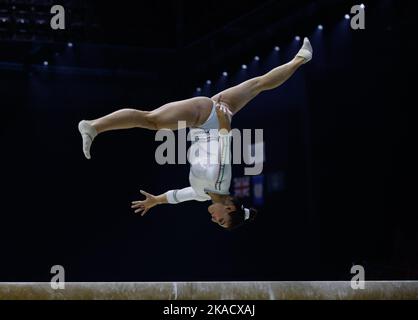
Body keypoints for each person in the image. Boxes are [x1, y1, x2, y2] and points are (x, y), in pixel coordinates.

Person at [78, 38, 313, 230]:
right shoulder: (219, 182)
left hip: (206, 120)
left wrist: (156, 201)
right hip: (206, 119)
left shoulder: (203, 194)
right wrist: (222, 122)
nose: (213, 219)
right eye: (220, 220)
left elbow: (177, 196)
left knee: (258, 85)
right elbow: (225, 147)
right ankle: (93, 126)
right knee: (149, 120)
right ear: (230, 208)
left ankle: (300, 59)